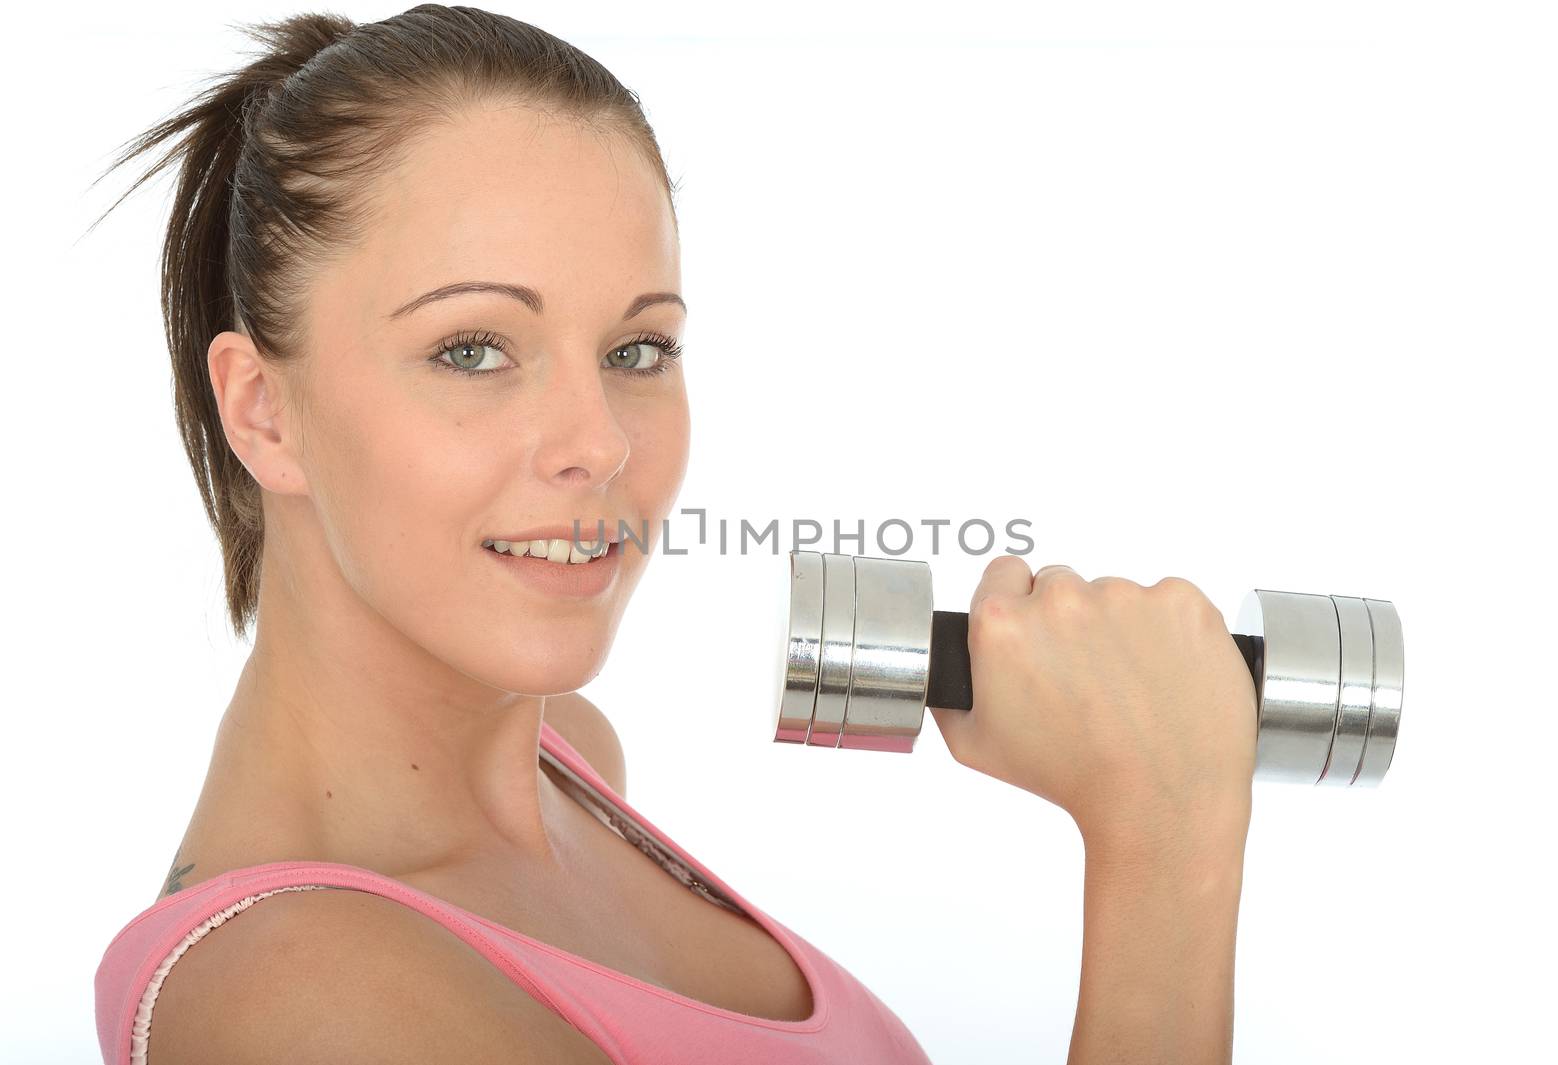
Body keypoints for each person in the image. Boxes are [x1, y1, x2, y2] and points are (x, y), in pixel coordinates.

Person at [88, 6, 1260, 1063]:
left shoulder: (568, 761)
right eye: (473, 348)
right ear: (263, 411)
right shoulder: (296, 1004)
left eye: (636, 350)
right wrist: (1166, 840)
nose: (596, 442)